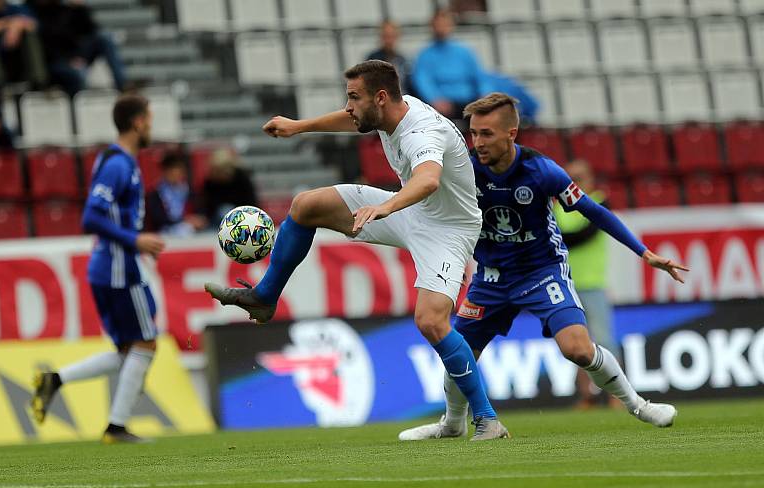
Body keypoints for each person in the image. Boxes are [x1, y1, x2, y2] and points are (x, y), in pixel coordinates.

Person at [204, 60, 508, 441]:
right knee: (305, 207)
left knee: (431, 321)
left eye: (353, 97)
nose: (348, 105)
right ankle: (264, 297)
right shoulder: (389, 111)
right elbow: (352, 121)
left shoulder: (421, 133)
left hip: (447, 229)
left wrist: (386, 206)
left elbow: (428, 180)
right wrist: (300, 127)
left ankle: (487, 420)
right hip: (411, 210)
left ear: (380, 97)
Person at [398, 93, 688, 440]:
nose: (477, 143)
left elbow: (593, 211)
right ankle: (453, 423)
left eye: (487, 134)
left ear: (512, 133)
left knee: (578, 348)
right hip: (491, 277)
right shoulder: (465, 169)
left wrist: (643, 252)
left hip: (542, 272)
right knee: (458, 348)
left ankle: (639, 405)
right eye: (473, 133)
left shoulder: (541, 170)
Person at [31, 94, 166, 444]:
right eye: (149, 118)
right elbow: (90, 217)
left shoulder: (115, 160)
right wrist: (134, 241)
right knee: (146, 344)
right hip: (120, 271)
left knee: (128, 350)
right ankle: (116, 427)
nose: (151, 125)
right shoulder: (119, 164)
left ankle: (55, 379)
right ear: (137, 122)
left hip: (107, 268)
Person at [554, 159, 622, 410]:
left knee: (604, 340)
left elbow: (583, 235)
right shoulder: (557, 208)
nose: (576, 183)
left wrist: (558, 238)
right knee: (576, 343)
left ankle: (617, 395)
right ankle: (587, 396)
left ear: (591, 179)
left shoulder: (599, 202)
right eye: (572, 178)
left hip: (593, 283)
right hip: (566, 284)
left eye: (580, 178)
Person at [26, 0, 127, 96]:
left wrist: (80, 8)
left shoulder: (63, 7)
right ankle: (80, 108)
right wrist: (69, 60)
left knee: (105, 38)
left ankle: (124, 87)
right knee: (79, 74)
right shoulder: (30, 10)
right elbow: (45, 45)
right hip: (53, 63)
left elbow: (91, 30)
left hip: (74, 55)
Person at [411, 8, 490, 119]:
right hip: (443, 105)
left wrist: (484, 95)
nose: (441, 28)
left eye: (445, 24)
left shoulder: (465, 52)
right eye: (438, 25)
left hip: (468, 101)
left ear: (451, 25)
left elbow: (480, 77)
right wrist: (435, 99)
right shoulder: (425, 55)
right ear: (432, 27)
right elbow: (423, 81)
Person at [145, 151, 207, 235]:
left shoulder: (190, 191)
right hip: (164, 234)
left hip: (191, 232)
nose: (176, 174)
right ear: (165, 171)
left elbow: (200, 211)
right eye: (172, 171)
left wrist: (200, 219)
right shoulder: (155, 194)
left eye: (179, 171)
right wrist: (185, 220)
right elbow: (158, 219)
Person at [201, 147, 258, 227]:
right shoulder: (210, 182)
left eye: (222, 170)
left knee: (226, 210)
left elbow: (252, 203)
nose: (220, 173)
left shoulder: (242, 179)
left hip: (243, 218)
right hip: (216, 220)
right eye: (217, 171)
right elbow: (206, 206)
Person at [365, 20, 411, 96]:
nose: (389, 40)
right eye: (386, 36)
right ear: (381, 37)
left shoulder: (402, 60)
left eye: (392, 36)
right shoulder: (372, 60)